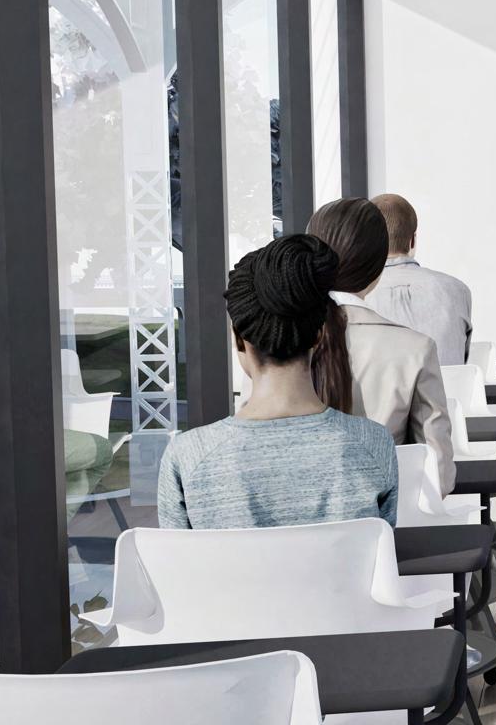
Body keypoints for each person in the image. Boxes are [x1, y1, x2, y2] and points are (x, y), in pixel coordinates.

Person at [157, 234, 396, 529]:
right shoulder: (374, 445)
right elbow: (382, 550)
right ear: (320, 336)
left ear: (239, 339)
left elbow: (176, 558)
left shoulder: (186, 458)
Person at [308, 197, 457, 493]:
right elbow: (438, 477)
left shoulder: (275, 342)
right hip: (385, 517)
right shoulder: (415, 349)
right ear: (379, 267)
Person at [367, 193, 475, 366]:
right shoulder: (458, 290)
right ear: (412, 240)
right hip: (447, 385)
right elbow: (461, 362)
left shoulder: (354, 296)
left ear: (367, 241)